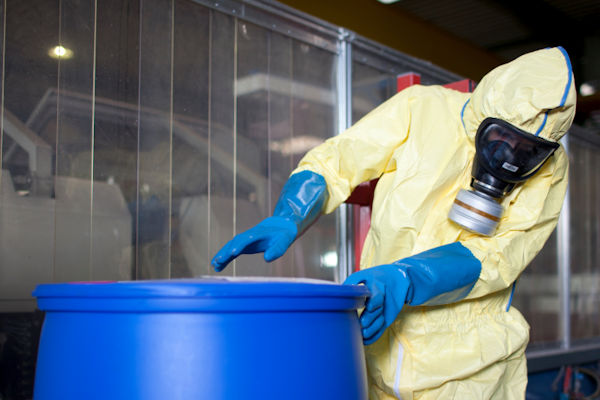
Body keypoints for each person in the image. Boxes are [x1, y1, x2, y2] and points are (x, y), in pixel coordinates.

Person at [211, 47, 576, 399]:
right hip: (378, 346)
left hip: (471, 369)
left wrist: (407, 276)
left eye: (528, 151)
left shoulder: (551, 169)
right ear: (486, 112)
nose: (510, 158)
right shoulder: (423, 109)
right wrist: (291, 212)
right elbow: (339, 160)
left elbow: (497, 255)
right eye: (502, 138)